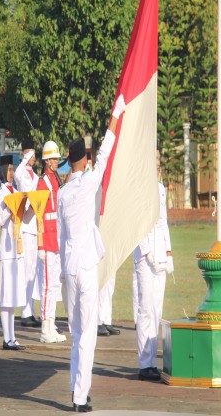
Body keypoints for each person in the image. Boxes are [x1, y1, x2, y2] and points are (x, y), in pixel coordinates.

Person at [58, 93, 126, 413]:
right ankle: (80, 396)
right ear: (83, 159)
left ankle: (76, 387)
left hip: (69, 266)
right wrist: (117, 114)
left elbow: (59, 236)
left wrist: (61, 269)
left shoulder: (62, 192)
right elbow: (107, 153)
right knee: (87, 335)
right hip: (86, 266)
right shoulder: (87, 183)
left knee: (76, 334)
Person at [134, 150, 174, 381]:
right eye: (155, 159)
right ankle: (144, 362)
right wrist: (147, 251)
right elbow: (136, 224)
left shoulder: (160, 188)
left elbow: (164, 222)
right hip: (144, 254)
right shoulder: (139, 188)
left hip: (159, 252)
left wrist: (168, 252)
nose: (158, 163)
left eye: (159, 159)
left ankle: (152, 360)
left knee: (157, 310)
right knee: (146, 309)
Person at [0, 154, 27, 350]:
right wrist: (8, 208)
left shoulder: (14, 190)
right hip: (7, 248)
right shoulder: (0, 192)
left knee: (13, 293)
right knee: (6, 294)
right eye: (8, 169)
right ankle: (6, 337)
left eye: (12, 169)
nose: (11, 172)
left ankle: (12, 336)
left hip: (17, 246)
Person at [37, 141, 67, 344]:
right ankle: (44, 327)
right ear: (47, 161)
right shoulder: (42, 183)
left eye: (57, 158)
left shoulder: (56, 181)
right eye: (54, 159)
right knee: (47, 285)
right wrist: (40, 244)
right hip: (47, 240)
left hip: (56, 239)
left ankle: (51, 323)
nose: (57, 162)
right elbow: (39, 215)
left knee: (54, 284)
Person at [14, 138, 41, 328]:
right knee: (25, 270)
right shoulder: (21, 172)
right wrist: (25, 159)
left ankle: (30, 310)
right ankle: (24, 311)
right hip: (24, 224)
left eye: (34, 154)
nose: (33, 157)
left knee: (32, 270)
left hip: (34, 225)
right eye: (30, 153)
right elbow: (17, 174)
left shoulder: (35, 176)